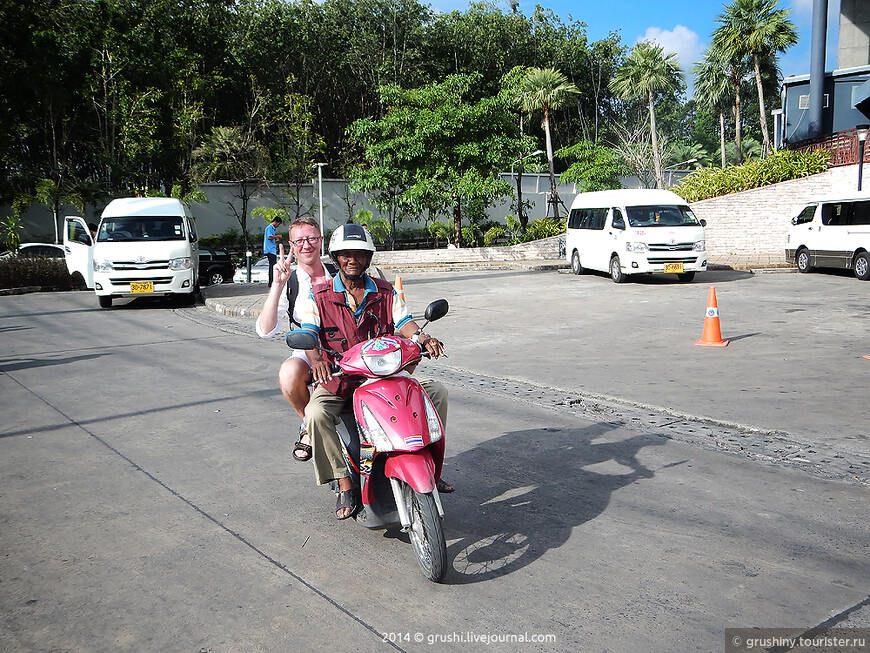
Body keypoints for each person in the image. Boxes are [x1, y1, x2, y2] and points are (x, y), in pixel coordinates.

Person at [296, 224, 453, 520]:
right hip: (340, 381)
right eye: (345, 255)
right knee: (315, 415)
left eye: (359, 254)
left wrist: (422, 338)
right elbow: (308, 332)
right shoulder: (317, 295)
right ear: (336, 258)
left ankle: (432, 467)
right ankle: (343, 480)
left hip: (385, 380)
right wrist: (317, 359)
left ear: (368, 259)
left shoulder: (385, 291)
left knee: (436, 393)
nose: (352, 260)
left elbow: (404, 320)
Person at [256, 217, 333, 462]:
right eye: (299, 241)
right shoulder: (290, 281)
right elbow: (265, 330)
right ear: (291, 245)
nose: (306, 245)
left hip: (343, 344)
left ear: (321, 241)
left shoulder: (339, 272)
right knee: (289, 373)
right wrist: (277, 285)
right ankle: (309, 424)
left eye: (311, 238)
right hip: (307, 348)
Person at [263, 216, 283, 286]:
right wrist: (277, 236)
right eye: (278, 224)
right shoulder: (270, 228)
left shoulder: (272, 229)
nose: (278, 226)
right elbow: (269, 237)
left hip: (272, 249)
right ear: (276, 222)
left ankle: (272, 280)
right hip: (270, 250)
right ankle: (271, 281)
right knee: (272, 266)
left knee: (273, 265)